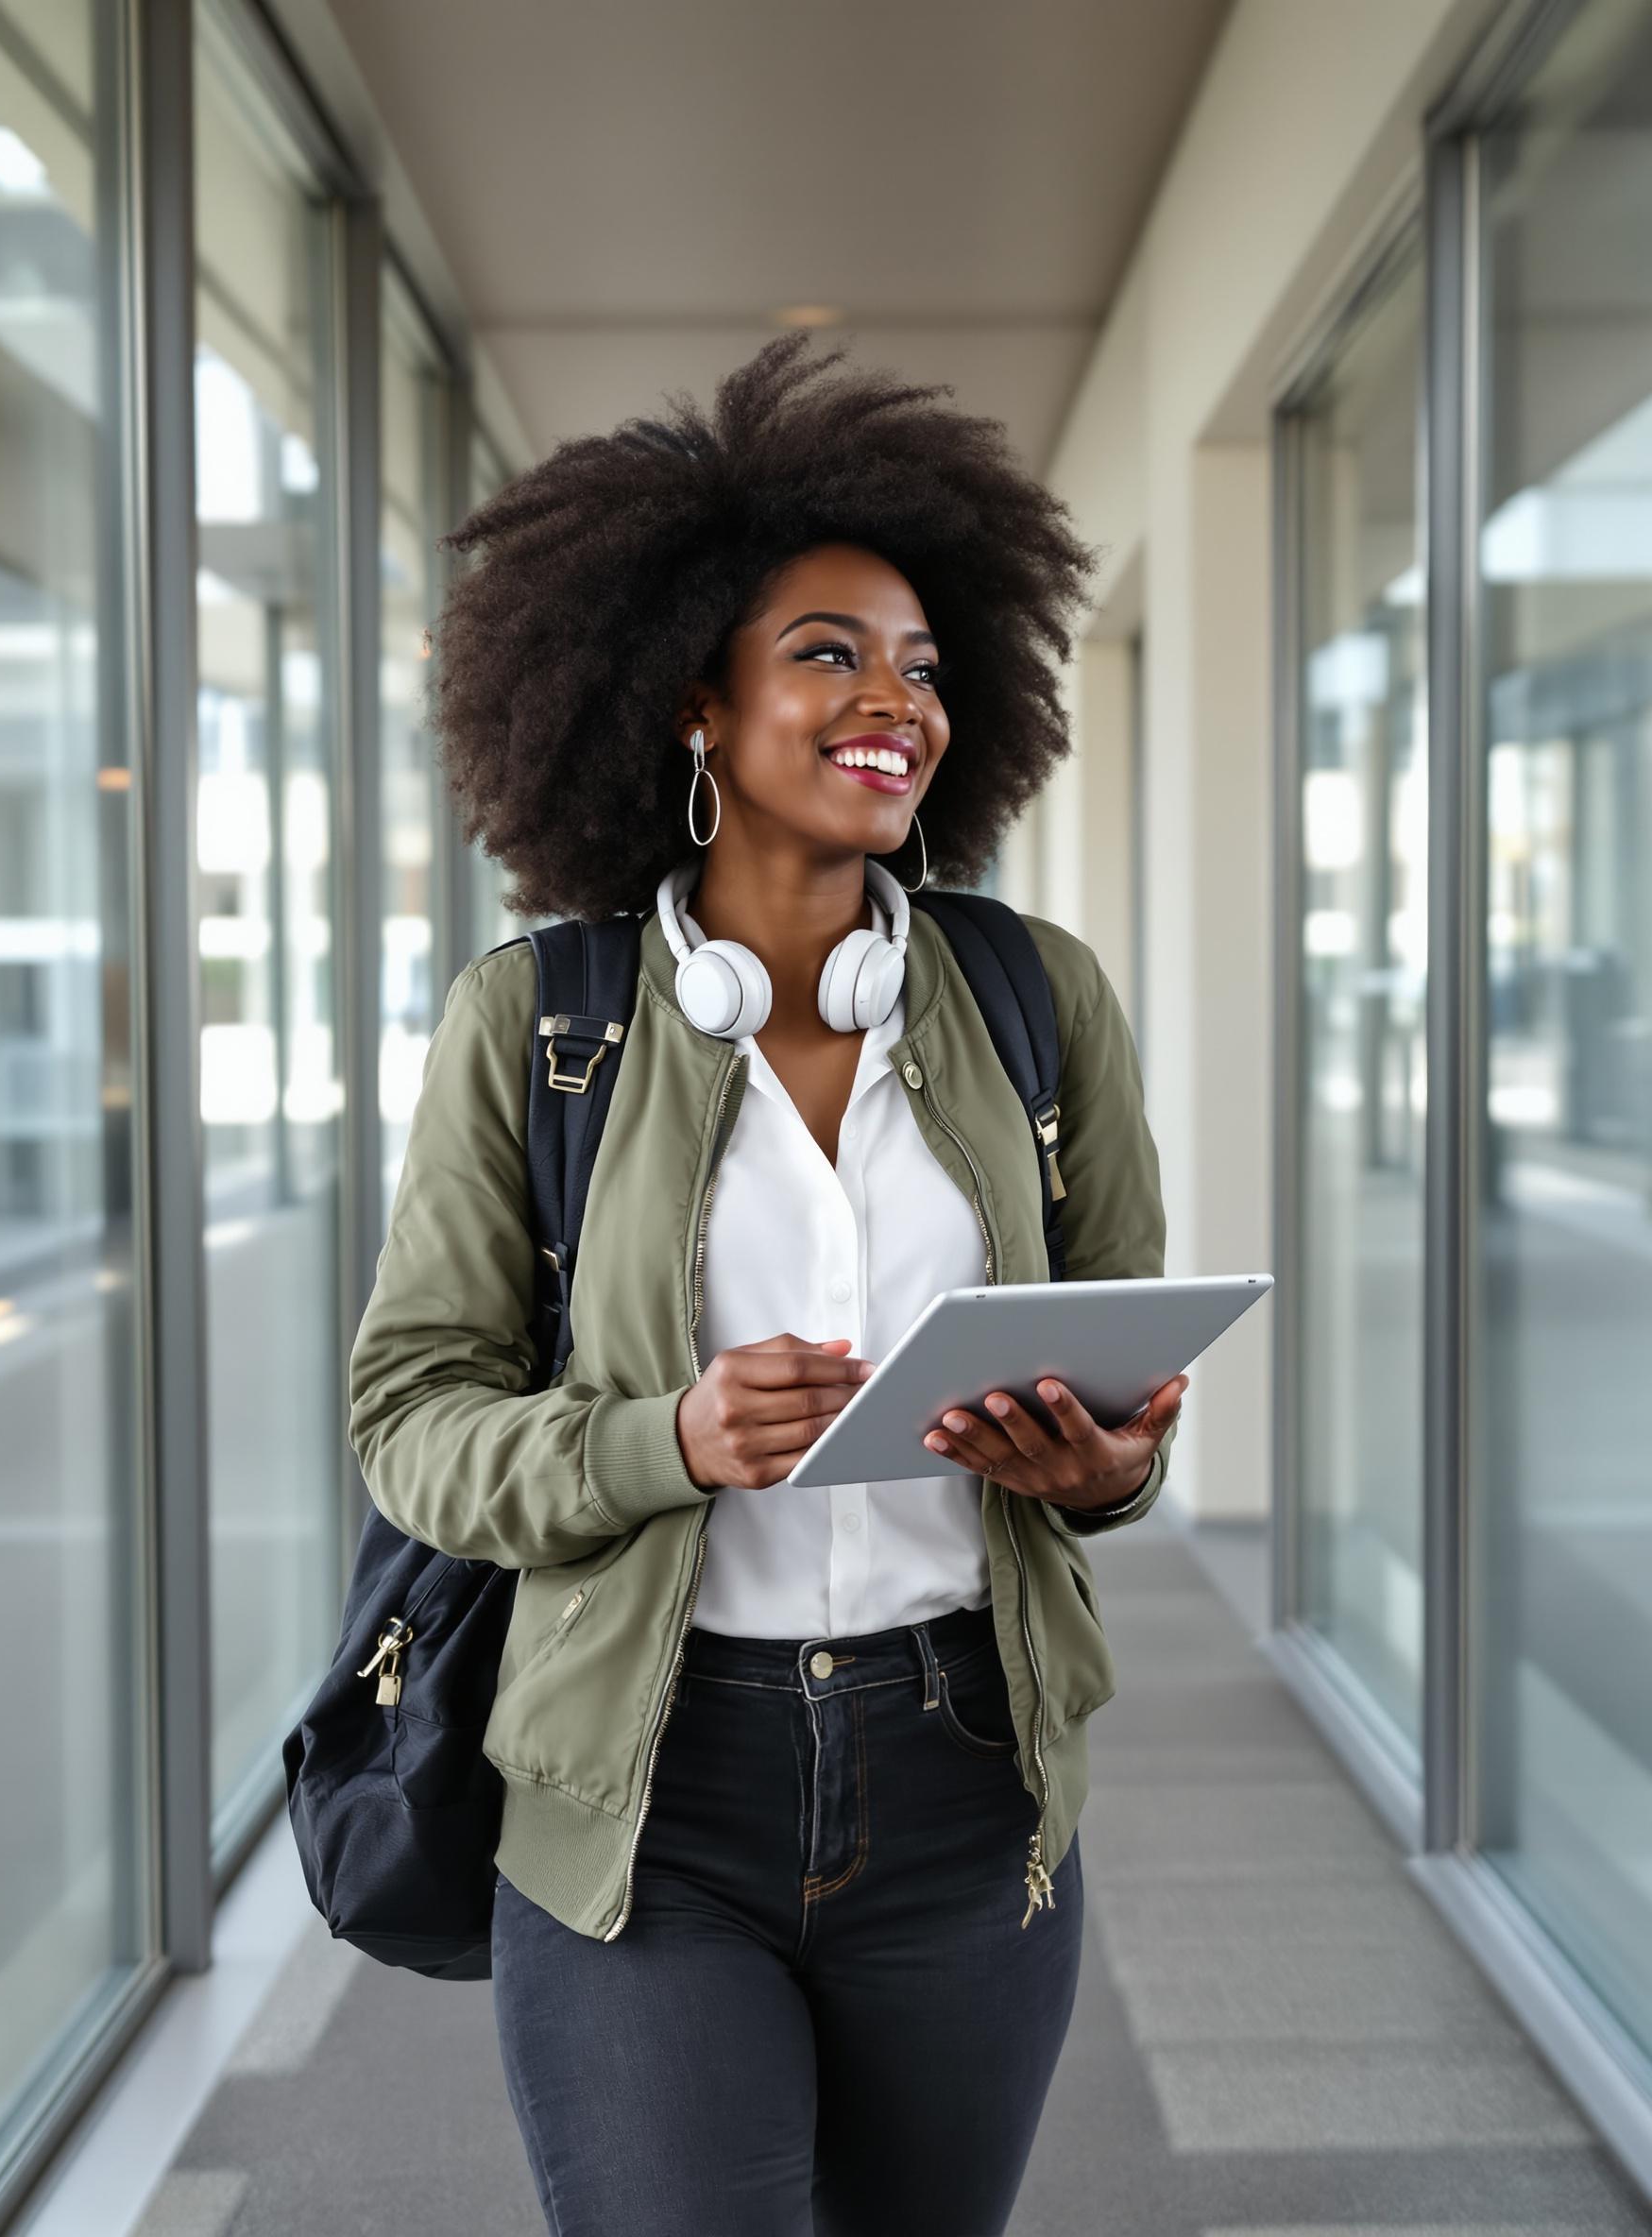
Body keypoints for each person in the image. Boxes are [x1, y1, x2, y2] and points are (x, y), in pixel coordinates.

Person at [347, 333, 1187, 2237]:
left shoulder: (1033, 999)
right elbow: (409, 1419)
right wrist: (666, 1437)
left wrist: (1099, 1467)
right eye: (826, 650)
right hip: (649, 1792)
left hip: (966, 1771)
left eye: (919, 663)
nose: (891, 695)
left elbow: (1124, 1366)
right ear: (689, 706)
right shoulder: (535, 1024)